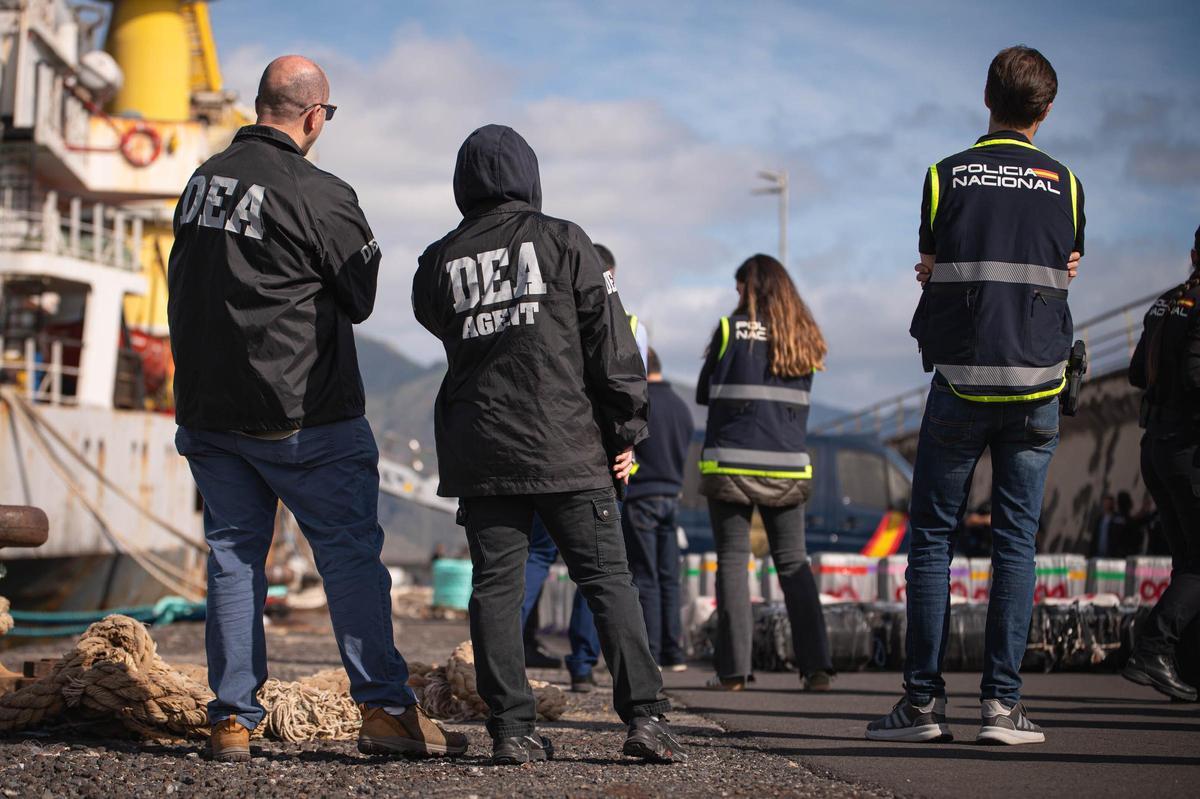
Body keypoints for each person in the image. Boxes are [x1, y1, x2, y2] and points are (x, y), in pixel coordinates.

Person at [167, 56, 466, 762]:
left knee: (235, 559)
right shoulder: (319, 190)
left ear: (258, 105)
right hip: (304, 414)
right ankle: (386, 710)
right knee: (349, 556)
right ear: (312, 117)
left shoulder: (199, 182)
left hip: (210, 411)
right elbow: (359, 296)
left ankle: (232, 720)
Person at [412, 124, 685, 765]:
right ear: (530, 176)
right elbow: (613, 347)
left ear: (463, 182)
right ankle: (644, 719)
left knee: (496, 589)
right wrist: (626, 432)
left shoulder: (440, 258)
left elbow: (433, 317)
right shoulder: (565, 240)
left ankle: (511, 730)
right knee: (607, 582)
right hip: (569, 447)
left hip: (482, 451)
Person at [868, 45, 1085, 746]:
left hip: (962, 378)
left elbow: (932, 261)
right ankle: (1002, 706)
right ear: (1045, 111)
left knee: (932, 538)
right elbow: (1065, 264)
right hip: (1038, 382)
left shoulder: (944, 175)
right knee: (1016, 543)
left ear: (985, 98)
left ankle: (923, 705)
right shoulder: (1069, 185)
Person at [696, 254, 833, 692]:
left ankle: (734, 673)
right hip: (787, 467)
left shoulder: (727, 330)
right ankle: (816, 669)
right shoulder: (805, 335)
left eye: (740, 288)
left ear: (749, 289)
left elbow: (704, 391)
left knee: (734, 562)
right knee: (793, 562)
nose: (736, 295)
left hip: (730, 463)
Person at [1121, 225, 1200, 703]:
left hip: (1156, 446)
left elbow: (1135, 372)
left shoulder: (1166, 302)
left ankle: (1181, 665)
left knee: (1186, 563)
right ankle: (1154, 647)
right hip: (1189, 449)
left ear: (1192, 253)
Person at [622, 347, 695, 670]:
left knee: (645, 576)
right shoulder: (681, 407)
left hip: (642, 498)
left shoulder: (641, 403)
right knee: (669, 578)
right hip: (672, 497)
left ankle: (650, 650)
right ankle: (674, 652)